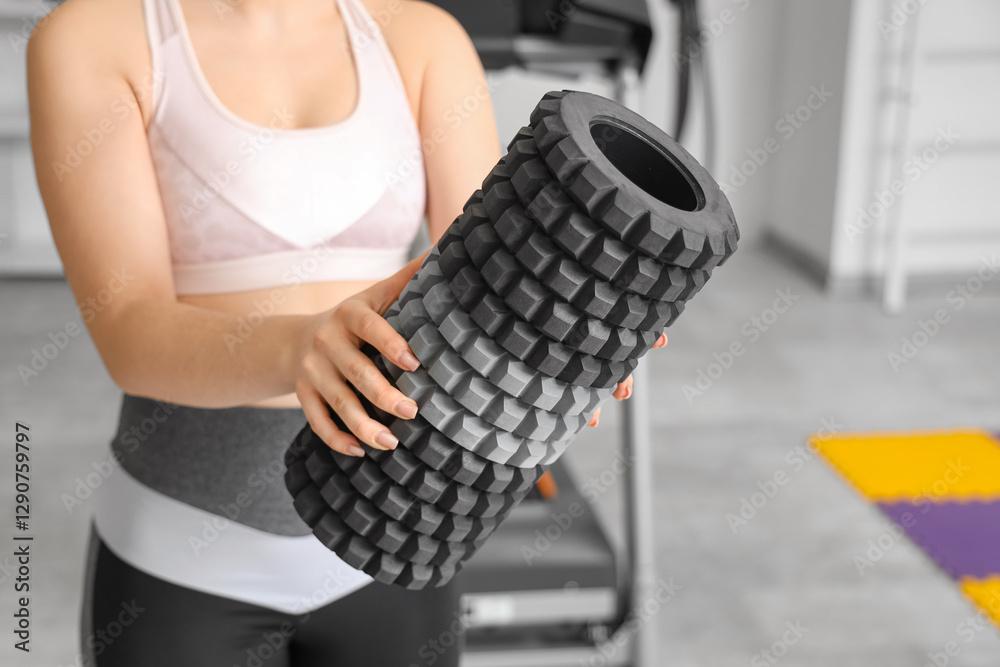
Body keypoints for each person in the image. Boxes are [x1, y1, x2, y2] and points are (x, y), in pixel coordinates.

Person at [27, 0, 660, 664]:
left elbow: (492, 285)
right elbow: (128, 332)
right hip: (184, 556)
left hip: (398, 544)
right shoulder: (93, 38)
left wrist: (577, 329)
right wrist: (302, 350)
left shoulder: (422, 39)